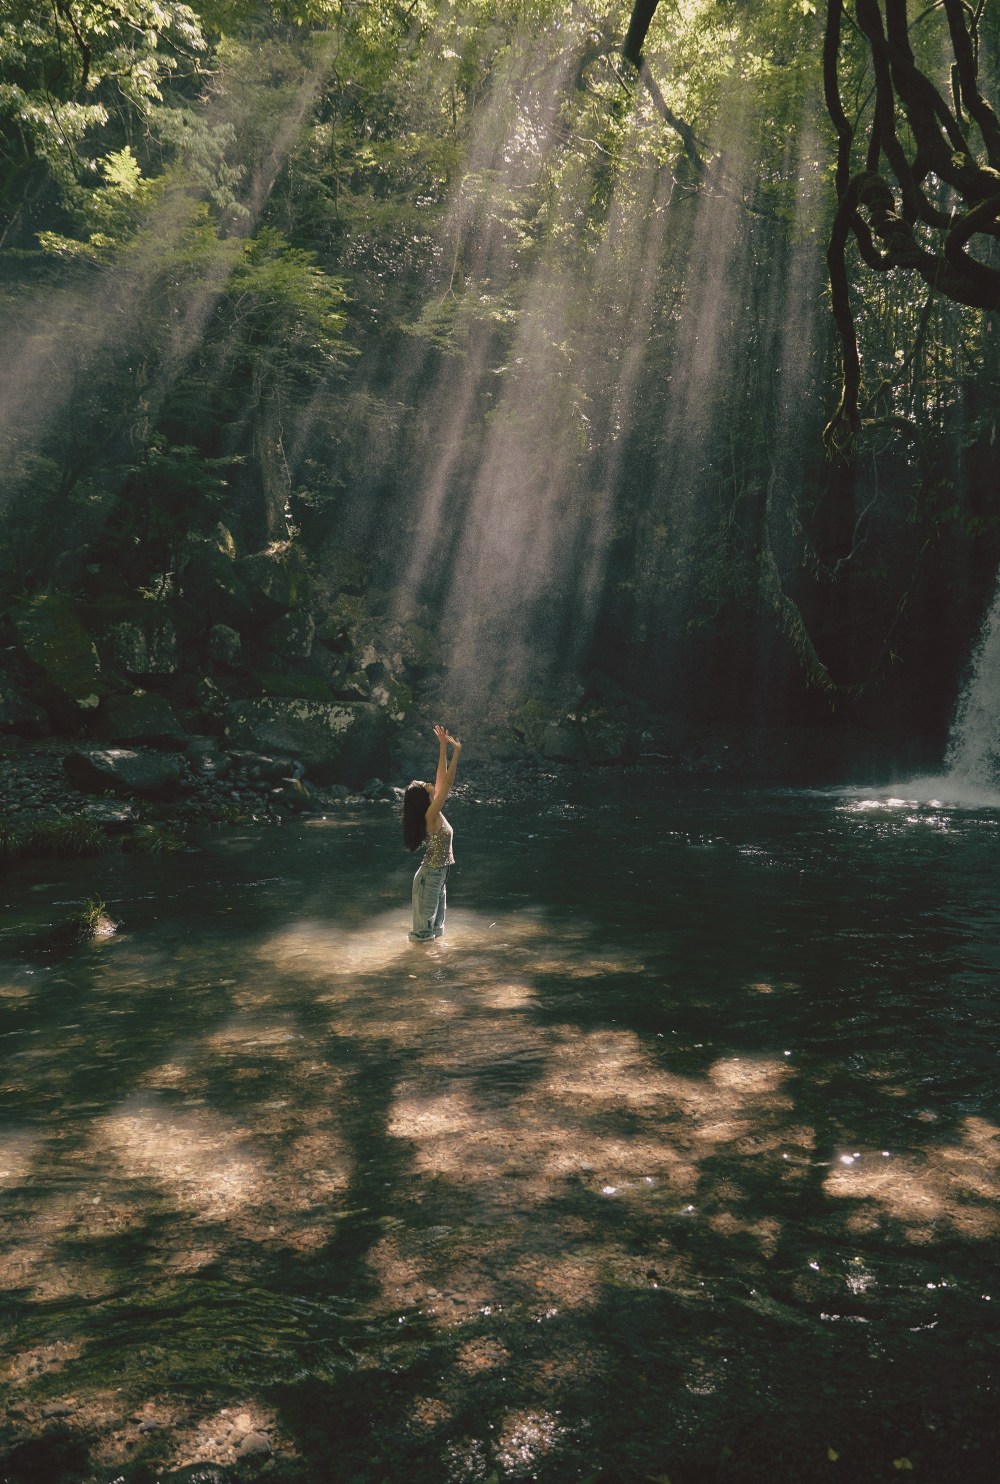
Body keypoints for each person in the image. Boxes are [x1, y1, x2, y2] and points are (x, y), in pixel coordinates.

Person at [403, 724, 462, 941]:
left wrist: (443, 746)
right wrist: (457, 752)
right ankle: (417, 962)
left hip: (439, 875)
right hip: (430, 876)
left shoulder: (432, 810)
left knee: (437, 931)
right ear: (423, 796)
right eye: (423, 783)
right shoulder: (430, 815)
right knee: (422, 935)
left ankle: (433, 962)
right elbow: (447, 783)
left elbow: (441, 778)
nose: (428, 782)